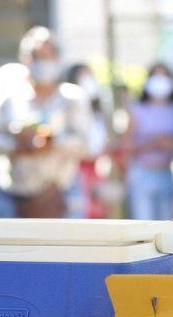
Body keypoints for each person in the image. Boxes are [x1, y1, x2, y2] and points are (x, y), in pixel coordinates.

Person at [0, 26, 92, 218]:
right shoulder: (6, 96)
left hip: (61, 195)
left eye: (47, 56)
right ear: (24, 59)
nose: (42, 62)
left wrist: (50, 141)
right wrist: (19, 145)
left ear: (57, 59)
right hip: (12, 198)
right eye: (35, 56)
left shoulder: (74, 98)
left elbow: (85, 144)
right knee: (8, 248)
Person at [123, 63, 173, 220]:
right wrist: (150, 144)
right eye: (156, 76)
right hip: (142, 175)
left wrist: (170, 143)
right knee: (144, 228)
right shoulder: (137, 110)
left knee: (165, 229)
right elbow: (126, 145)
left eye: (164, 76)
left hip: (166, 174)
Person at [66, 63, 109, 218]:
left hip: (95, 172)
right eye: (82, 76)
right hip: (73, 171)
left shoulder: (99, 113)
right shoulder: (66, 107)